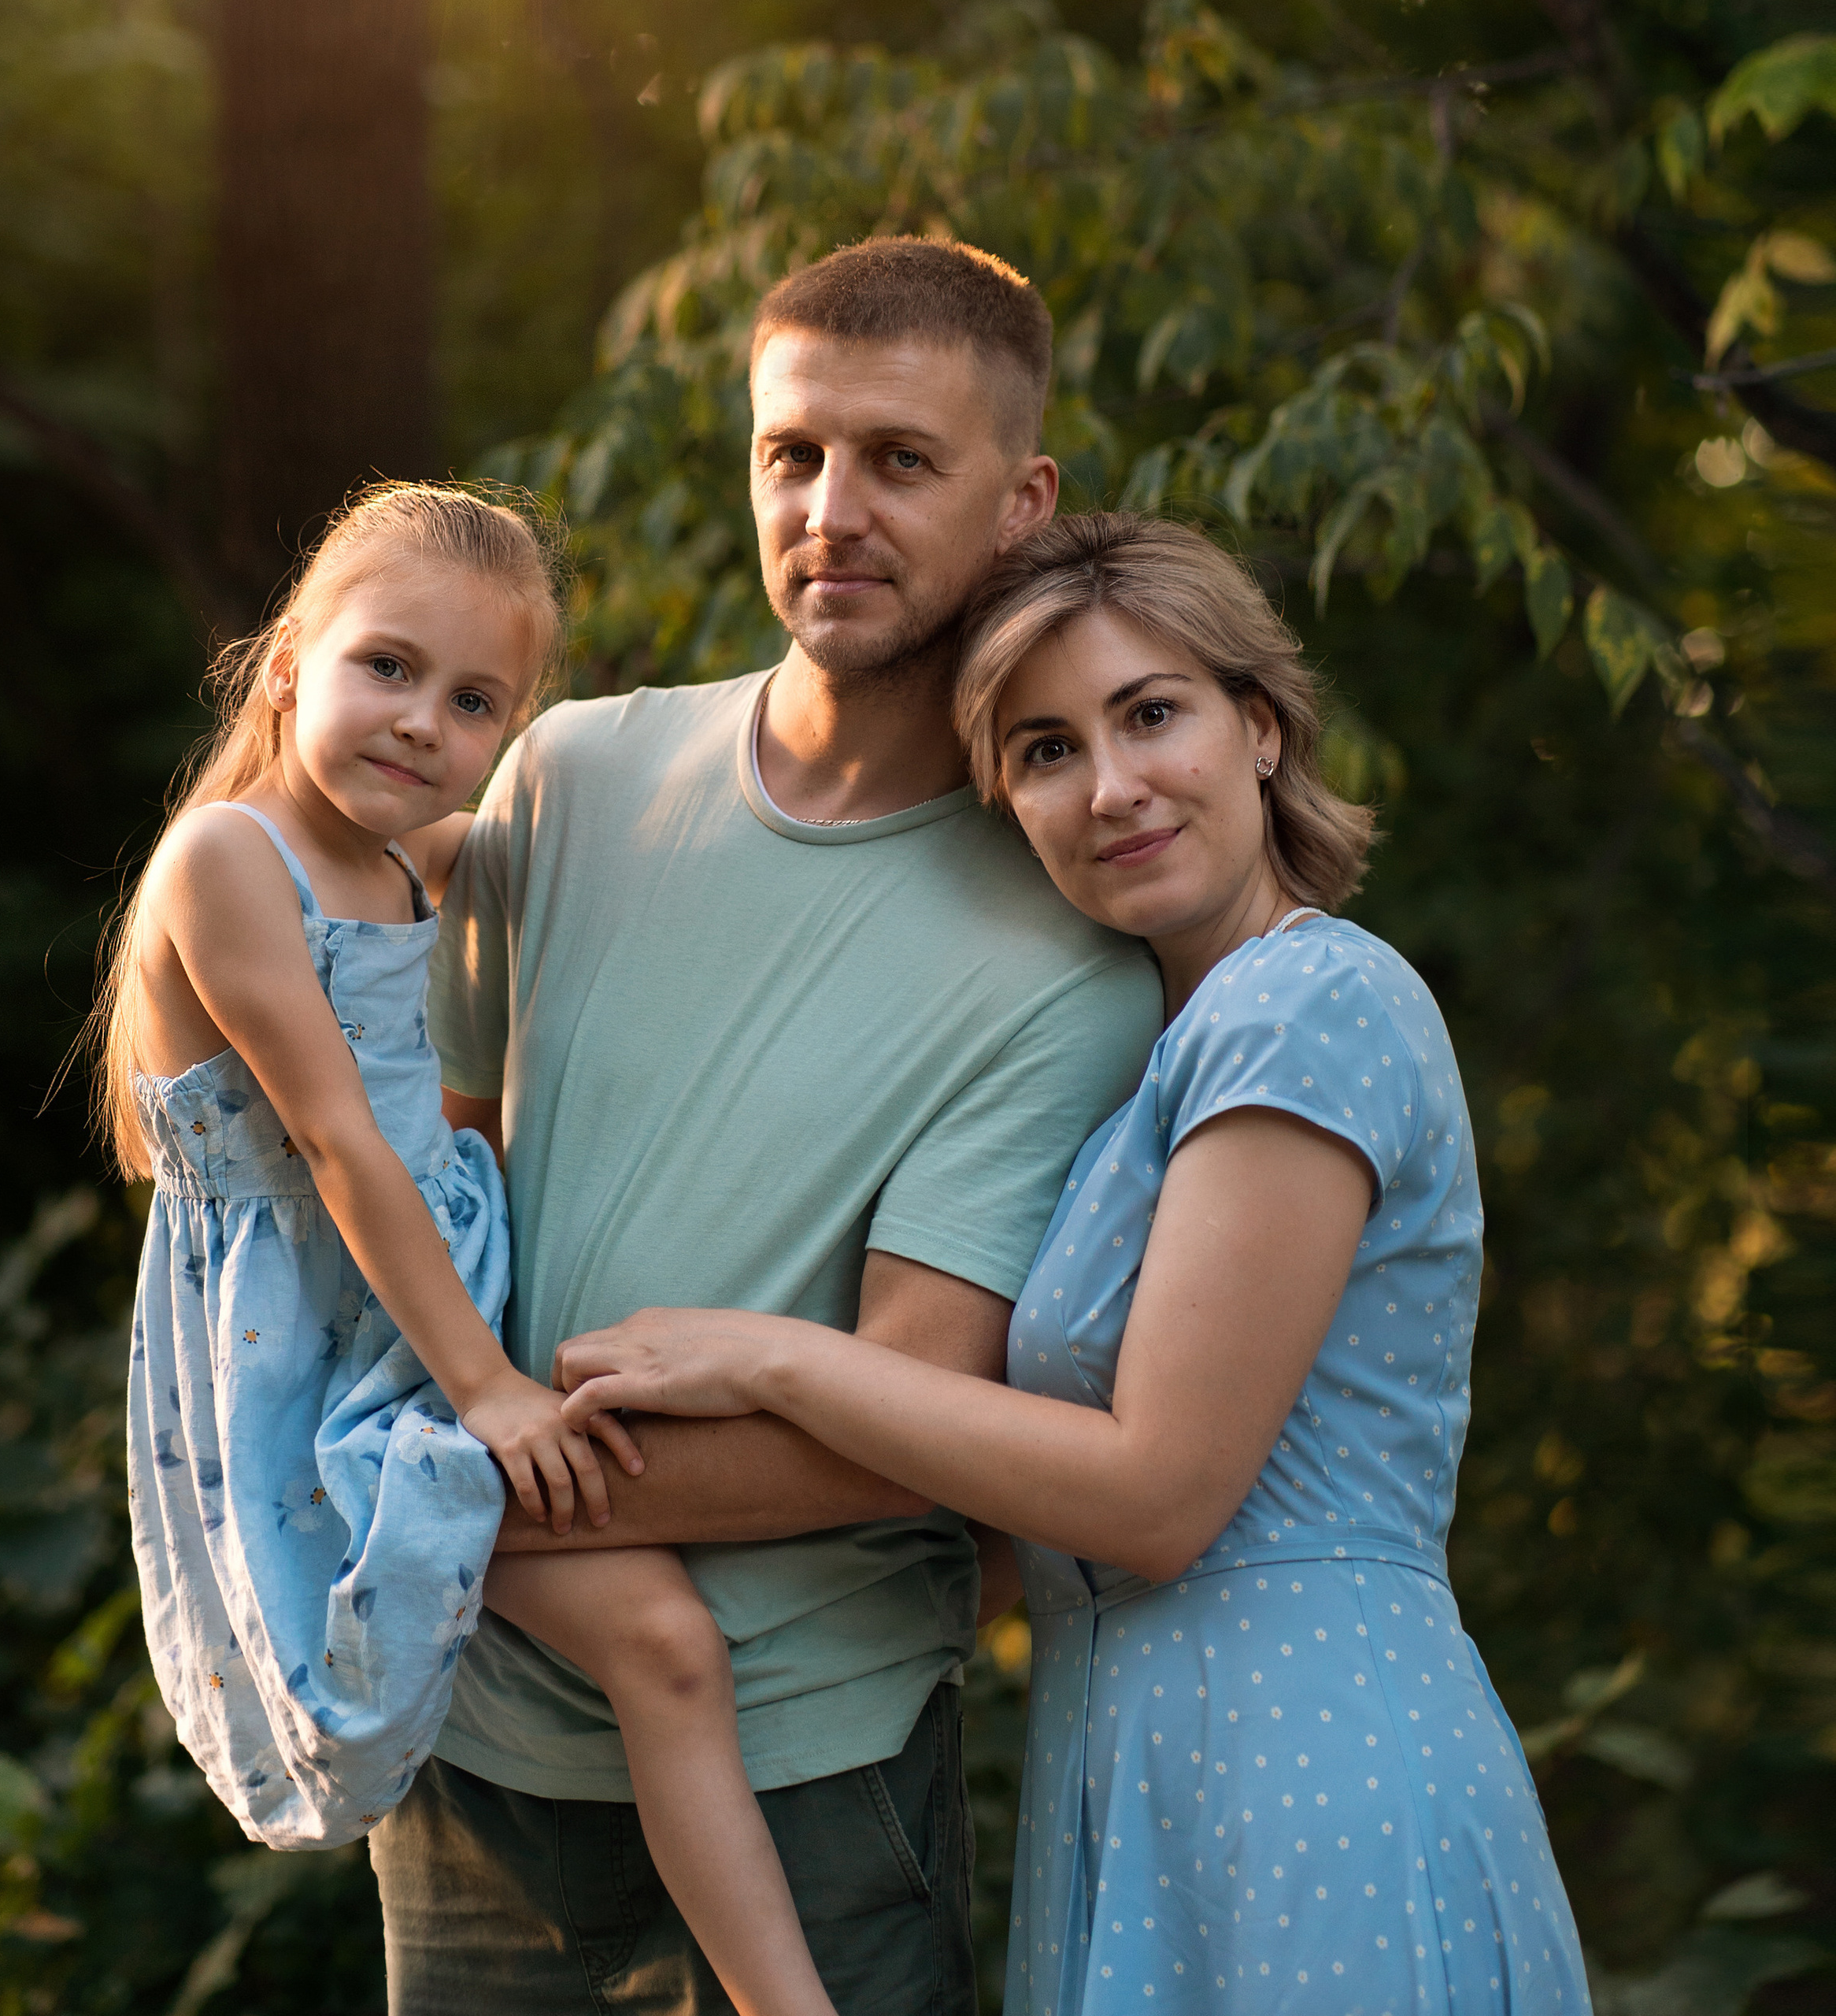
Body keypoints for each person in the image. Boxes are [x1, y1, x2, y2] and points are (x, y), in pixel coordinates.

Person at [557, 513, 1594, 2012]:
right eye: (1045, 751)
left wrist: (770, 1353)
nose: (1111, 787)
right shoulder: (1151, 1060)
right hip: (1131, 1775)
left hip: (1314, 1773)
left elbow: (1157, 1495)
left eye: (1151, 714)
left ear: (1259, 725)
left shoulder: (1309, 1008)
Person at [391, 244, 1164, 2011]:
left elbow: (905, 1429)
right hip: (479, 1756)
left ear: (1020, 499)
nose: (832, 509)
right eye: (790, 454)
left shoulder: (1061, 953)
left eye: (900, 459)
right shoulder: (564, 774)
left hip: (804, 1779)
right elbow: (442, 1195)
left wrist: (439, 1501)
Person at [100, 481, 847, 2016]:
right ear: (289, 656)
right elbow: (339, 1144)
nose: (420, 721)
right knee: (658, 1632)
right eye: (386, 666)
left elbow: (598, 857)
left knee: (665, 1636)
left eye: (474, 700)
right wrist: (490, 1390)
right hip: (318, 1357)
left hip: (422, 1296)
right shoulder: (229, 859)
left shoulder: (414, 855)